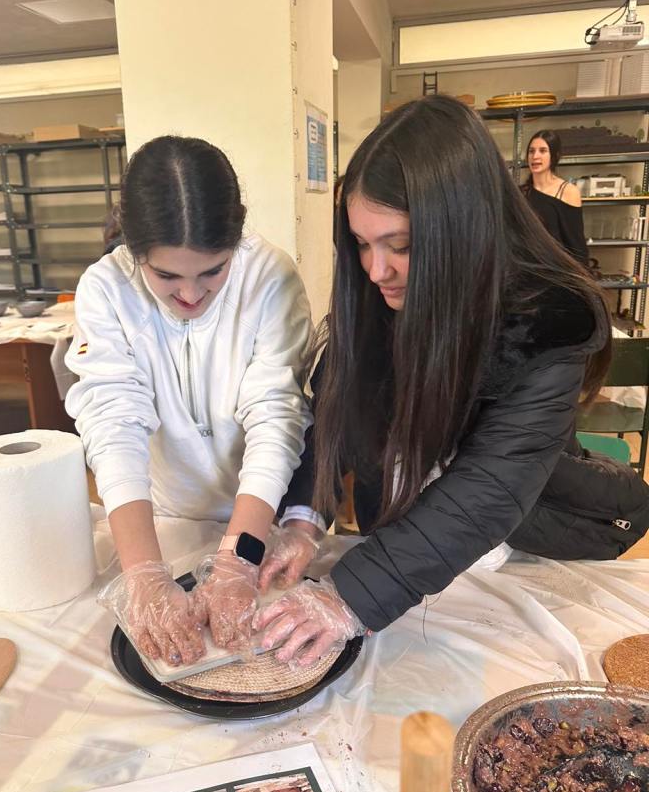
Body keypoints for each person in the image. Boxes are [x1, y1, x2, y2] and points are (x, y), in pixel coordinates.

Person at [255, 95, 649, 667]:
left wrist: (349, 597)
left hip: (508, 549)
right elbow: (332, 414)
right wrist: (302, 518)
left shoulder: (547, 321)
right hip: (395, 543)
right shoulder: (374, 295)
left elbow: (490, 487)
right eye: (362, 244)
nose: (376, 269)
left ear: (464, 231)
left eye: (401, 245)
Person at [65, 135, 312, 666]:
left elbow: (276, 418)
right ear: (135, 253)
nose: (191, 295)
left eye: (213, 271)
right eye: (166, 276)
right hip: (160, 520)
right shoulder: (106, 289)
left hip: (260, 521)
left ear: (235, 241)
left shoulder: (269, 277)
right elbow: (113, 423)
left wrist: (238, 561)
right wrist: (144, 575)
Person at [523, 129, 589, 264]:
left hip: (556, 270)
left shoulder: (568, 192)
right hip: (527, 270)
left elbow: (576, 244)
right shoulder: (522, 193)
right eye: (531, 151)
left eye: (542, 151)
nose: (535, 156)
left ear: (554, 156)